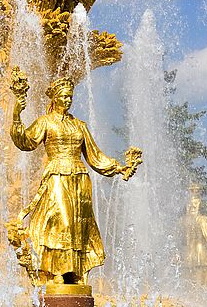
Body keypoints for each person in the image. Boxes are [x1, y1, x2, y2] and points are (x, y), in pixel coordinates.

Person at [8, 74, 140, 286]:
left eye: (70, 97)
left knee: (79, 225)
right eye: (64, 97)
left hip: (80, 178)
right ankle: (56, 270)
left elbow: (95, 155)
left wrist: (118, 167)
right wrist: (16, 113)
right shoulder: (45, 122)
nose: (68, 100)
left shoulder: (79, 125)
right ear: (55, 98)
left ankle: (75, 272)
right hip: (57, 175)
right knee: (62, 222)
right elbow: (24, 141)